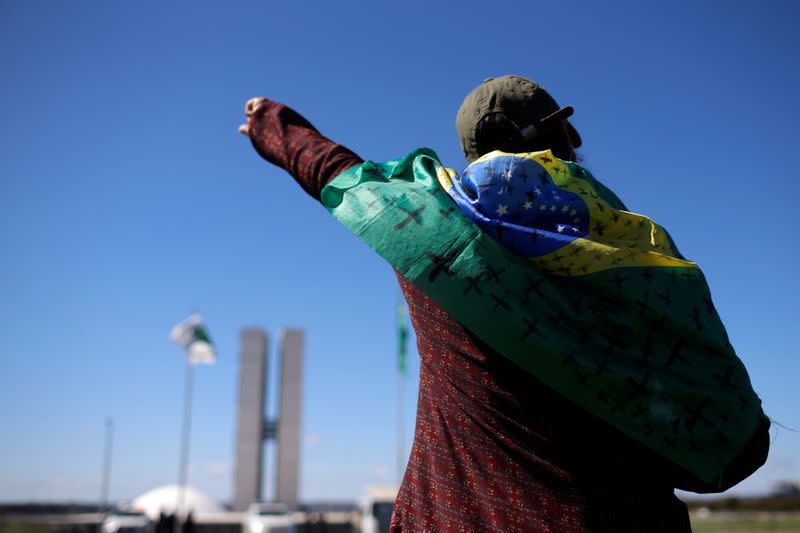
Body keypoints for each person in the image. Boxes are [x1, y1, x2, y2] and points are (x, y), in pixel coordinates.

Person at [238, 75, 768, 532]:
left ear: (474, 155)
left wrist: (273, 125)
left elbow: (338, 171)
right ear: (565, 137)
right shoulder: (643, 270)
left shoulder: (431, 236)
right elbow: (739, 450)